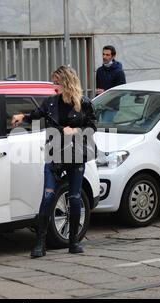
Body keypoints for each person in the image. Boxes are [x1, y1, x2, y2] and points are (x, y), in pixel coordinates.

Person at [11, 66, 97, 258]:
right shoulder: (51, 103)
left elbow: (92, 126)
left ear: (66, 83)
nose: (53, 86)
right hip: (55, 156)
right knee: (48, 197)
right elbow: (37, 114)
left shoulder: (84, 103)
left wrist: (74, 131)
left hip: (75, 157)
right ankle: (40, 243)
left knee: (74, 198)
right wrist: (22, 117)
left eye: (56, 82)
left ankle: (73, 241)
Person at [96, 45, 126, 122]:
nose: (104, 56)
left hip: (111, 107)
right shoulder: (99, 70)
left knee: (106, 128)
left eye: (107, 55)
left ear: (113, 56)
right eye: (103, 54)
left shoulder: (119, 72)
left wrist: (105, 92)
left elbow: (122, 91)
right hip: (100, 105)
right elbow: (98, 87)